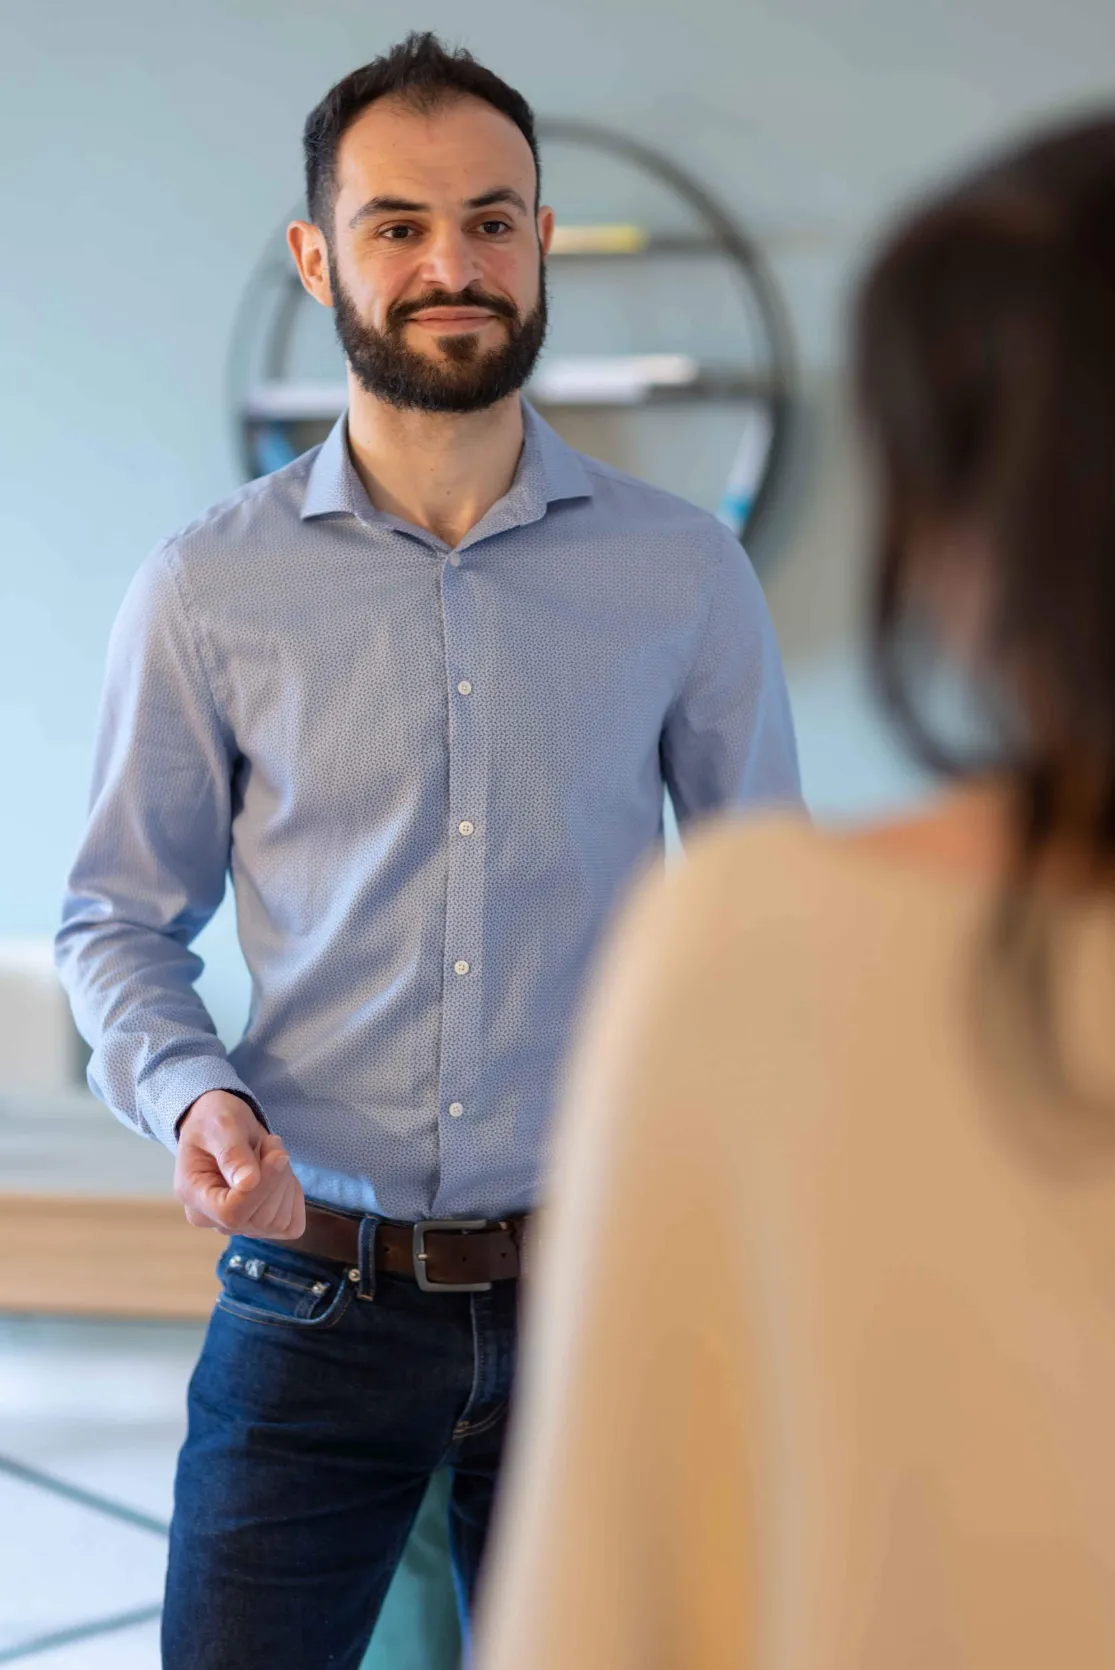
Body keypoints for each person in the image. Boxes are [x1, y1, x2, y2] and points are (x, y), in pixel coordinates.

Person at [53, 32, 800, 1670]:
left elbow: (771, 927)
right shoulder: (207, 589)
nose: (448, 263)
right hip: (305, 1295)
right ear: (321, 255)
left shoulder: (683, 577)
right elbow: (114, 919)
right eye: (396, 225)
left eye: (489, 219)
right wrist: (199, 1097)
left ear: (542, 241)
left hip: (602, 1300)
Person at [475, 111, 1115, 1670]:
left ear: (962, 540)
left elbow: (601, 1628)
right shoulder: (205, 585)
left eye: (488, 219)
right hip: (328, 1272)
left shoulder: (764, 947)